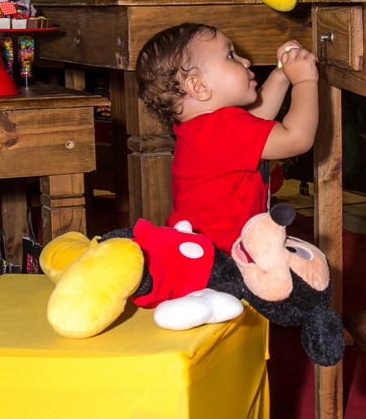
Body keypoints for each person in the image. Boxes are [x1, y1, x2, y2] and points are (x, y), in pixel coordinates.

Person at [135, 22, 318, 253]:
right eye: (230, 55)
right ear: (198, 86)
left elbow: (256, 119)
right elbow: (297, 139)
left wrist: (281, 74)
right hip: (219, 256)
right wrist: (304, 81)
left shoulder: (204, 128)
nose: (246, 61)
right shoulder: (222, 129)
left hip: (202, 250)